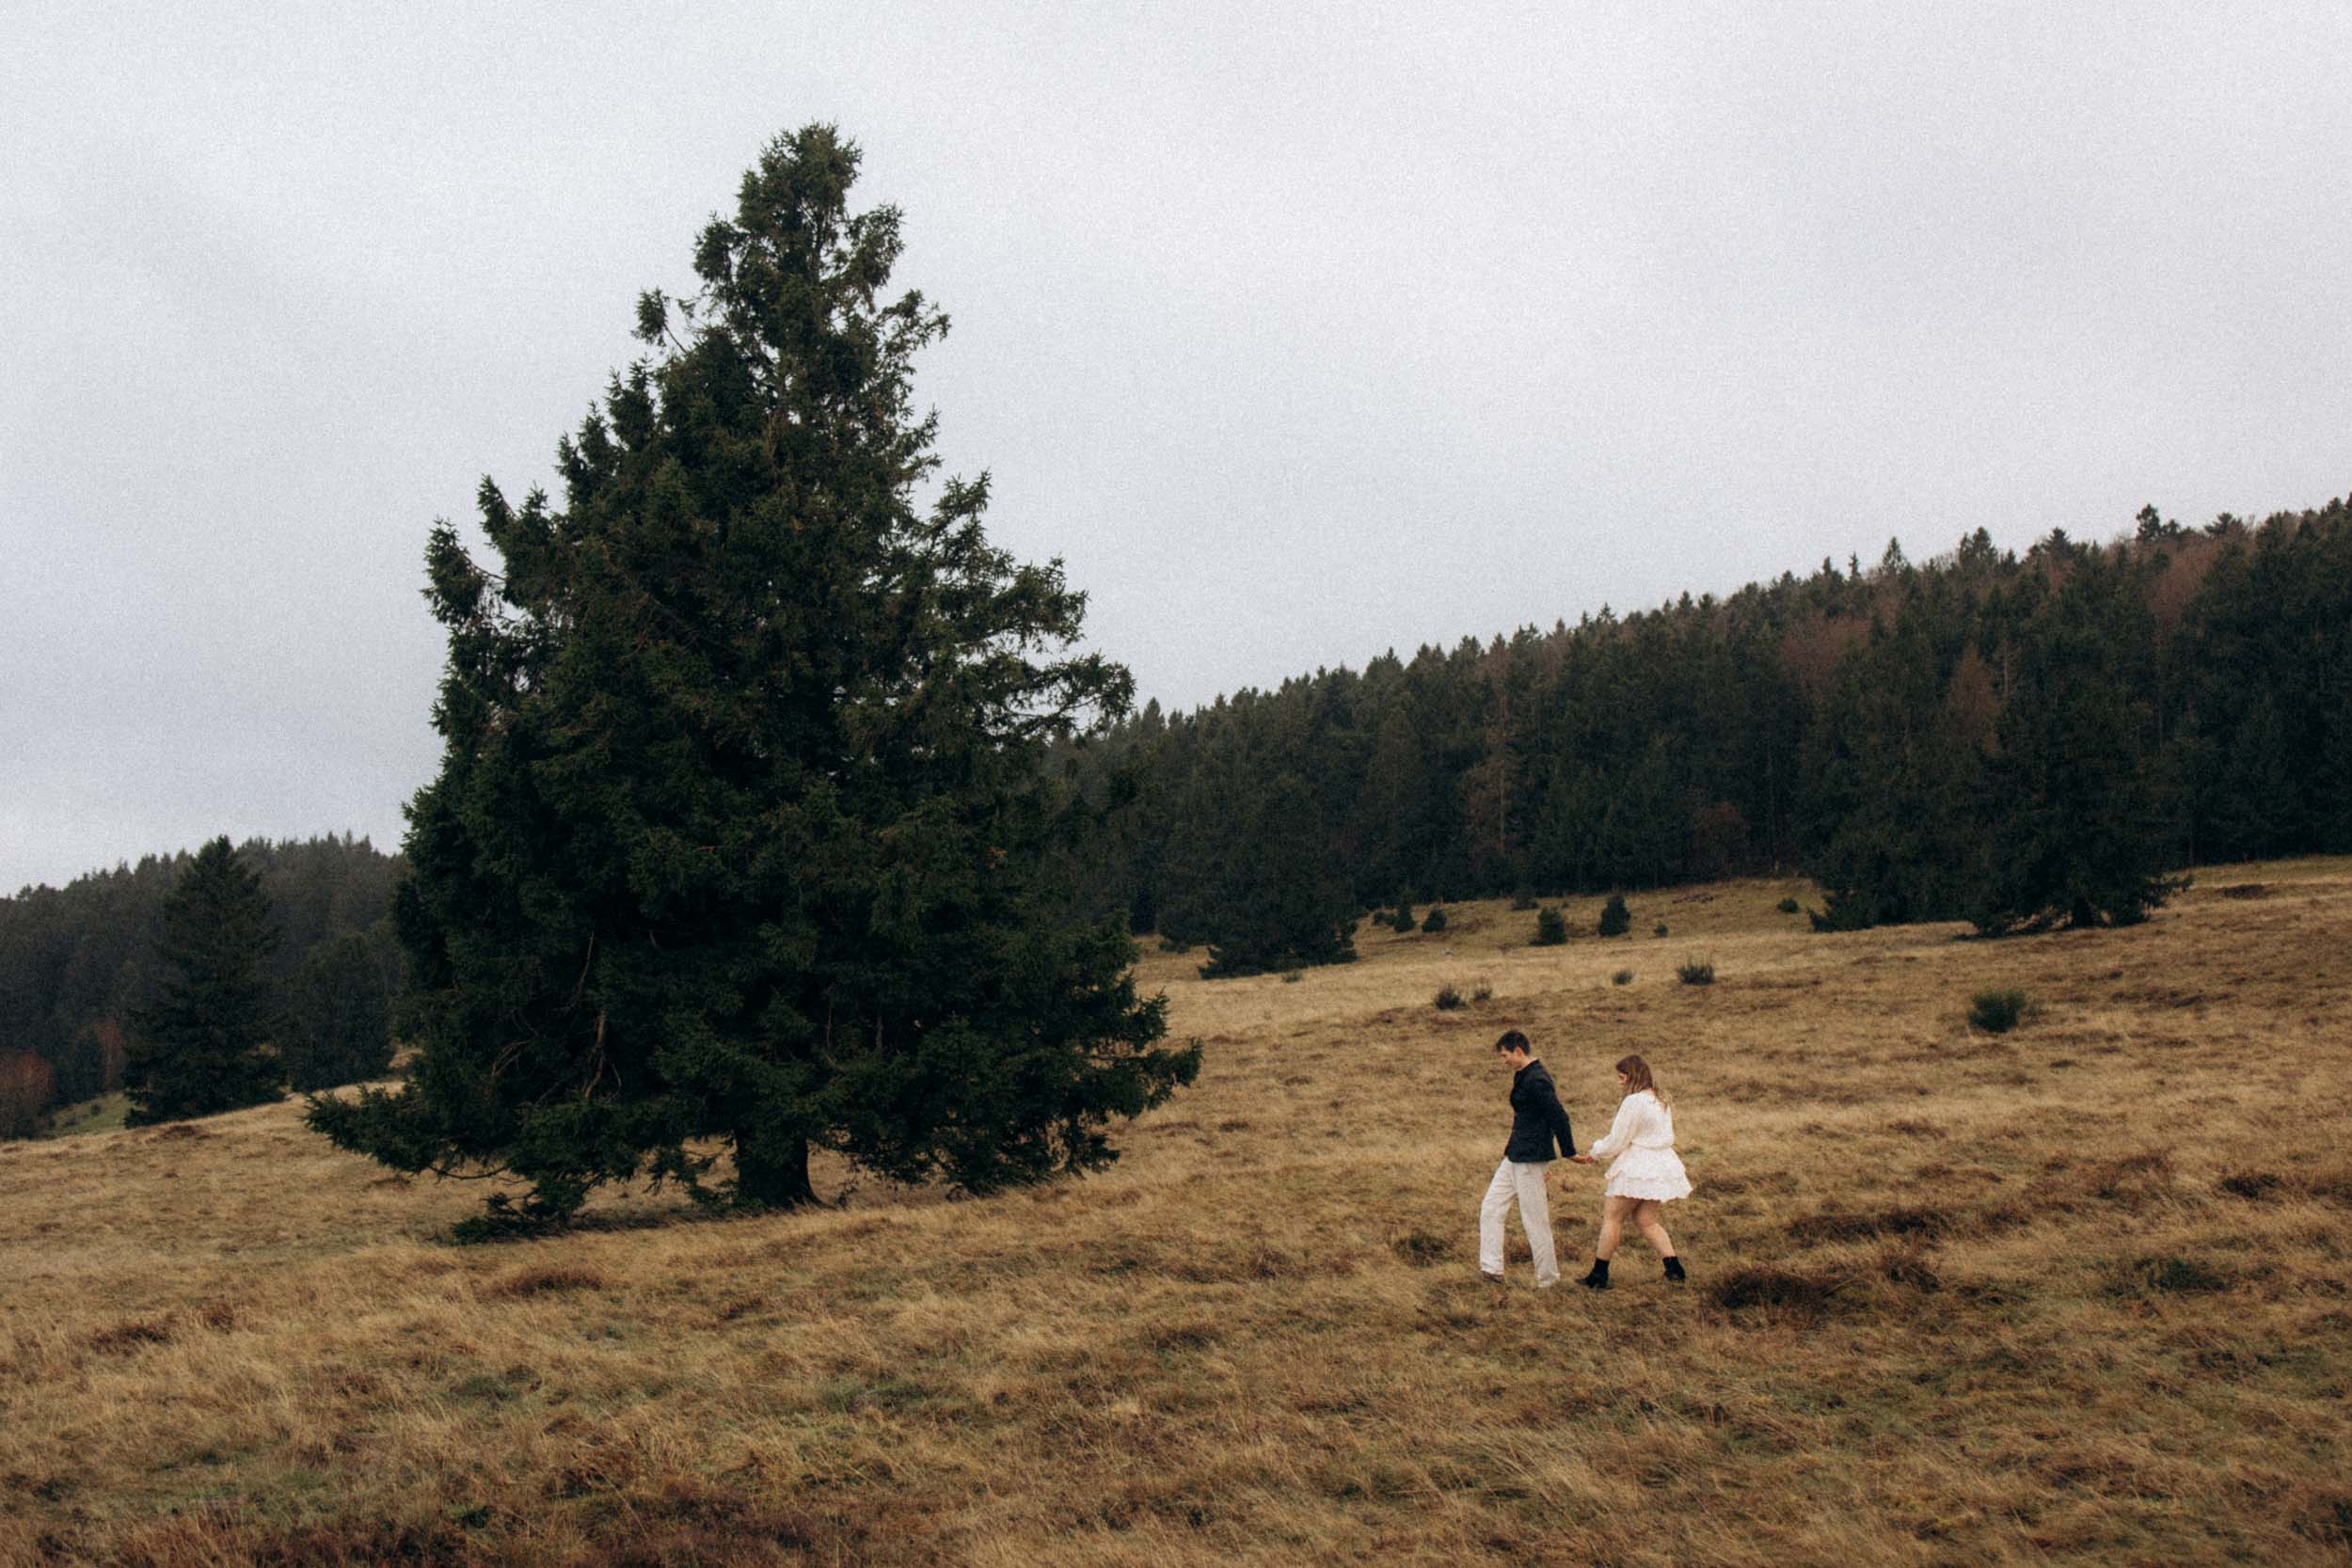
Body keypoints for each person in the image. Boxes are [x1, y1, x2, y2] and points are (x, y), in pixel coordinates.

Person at [1570, 1053, 1691, 1289]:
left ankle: (1598, 1276)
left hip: (1640, 1166)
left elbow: (1618, 1140)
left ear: (1631, 1077)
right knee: (1646, 1220)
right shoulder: (1660, 1099)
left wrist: (1595, 1153)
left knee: (1612, 1218)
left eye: (1621, 1077)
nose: (1619, 1082)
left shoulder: (1633, 1102)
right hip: (1661, 1164)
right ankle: (1675, 1269)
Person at [1480, 1029, 1576, 1289]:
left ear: (1519, 1051)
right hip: (1514, 1156)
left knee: (1535, 1220)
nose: (1504, 1061)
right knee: (1490, 1208)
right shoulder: (1523, 1076)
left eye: (1505, 1056)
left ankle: (1548, 1280)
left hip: (1530, 1158)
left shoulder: (1538, 1080)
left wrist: (1570, 1152)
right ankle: (1491, 1269)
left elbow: (1559, 1116)